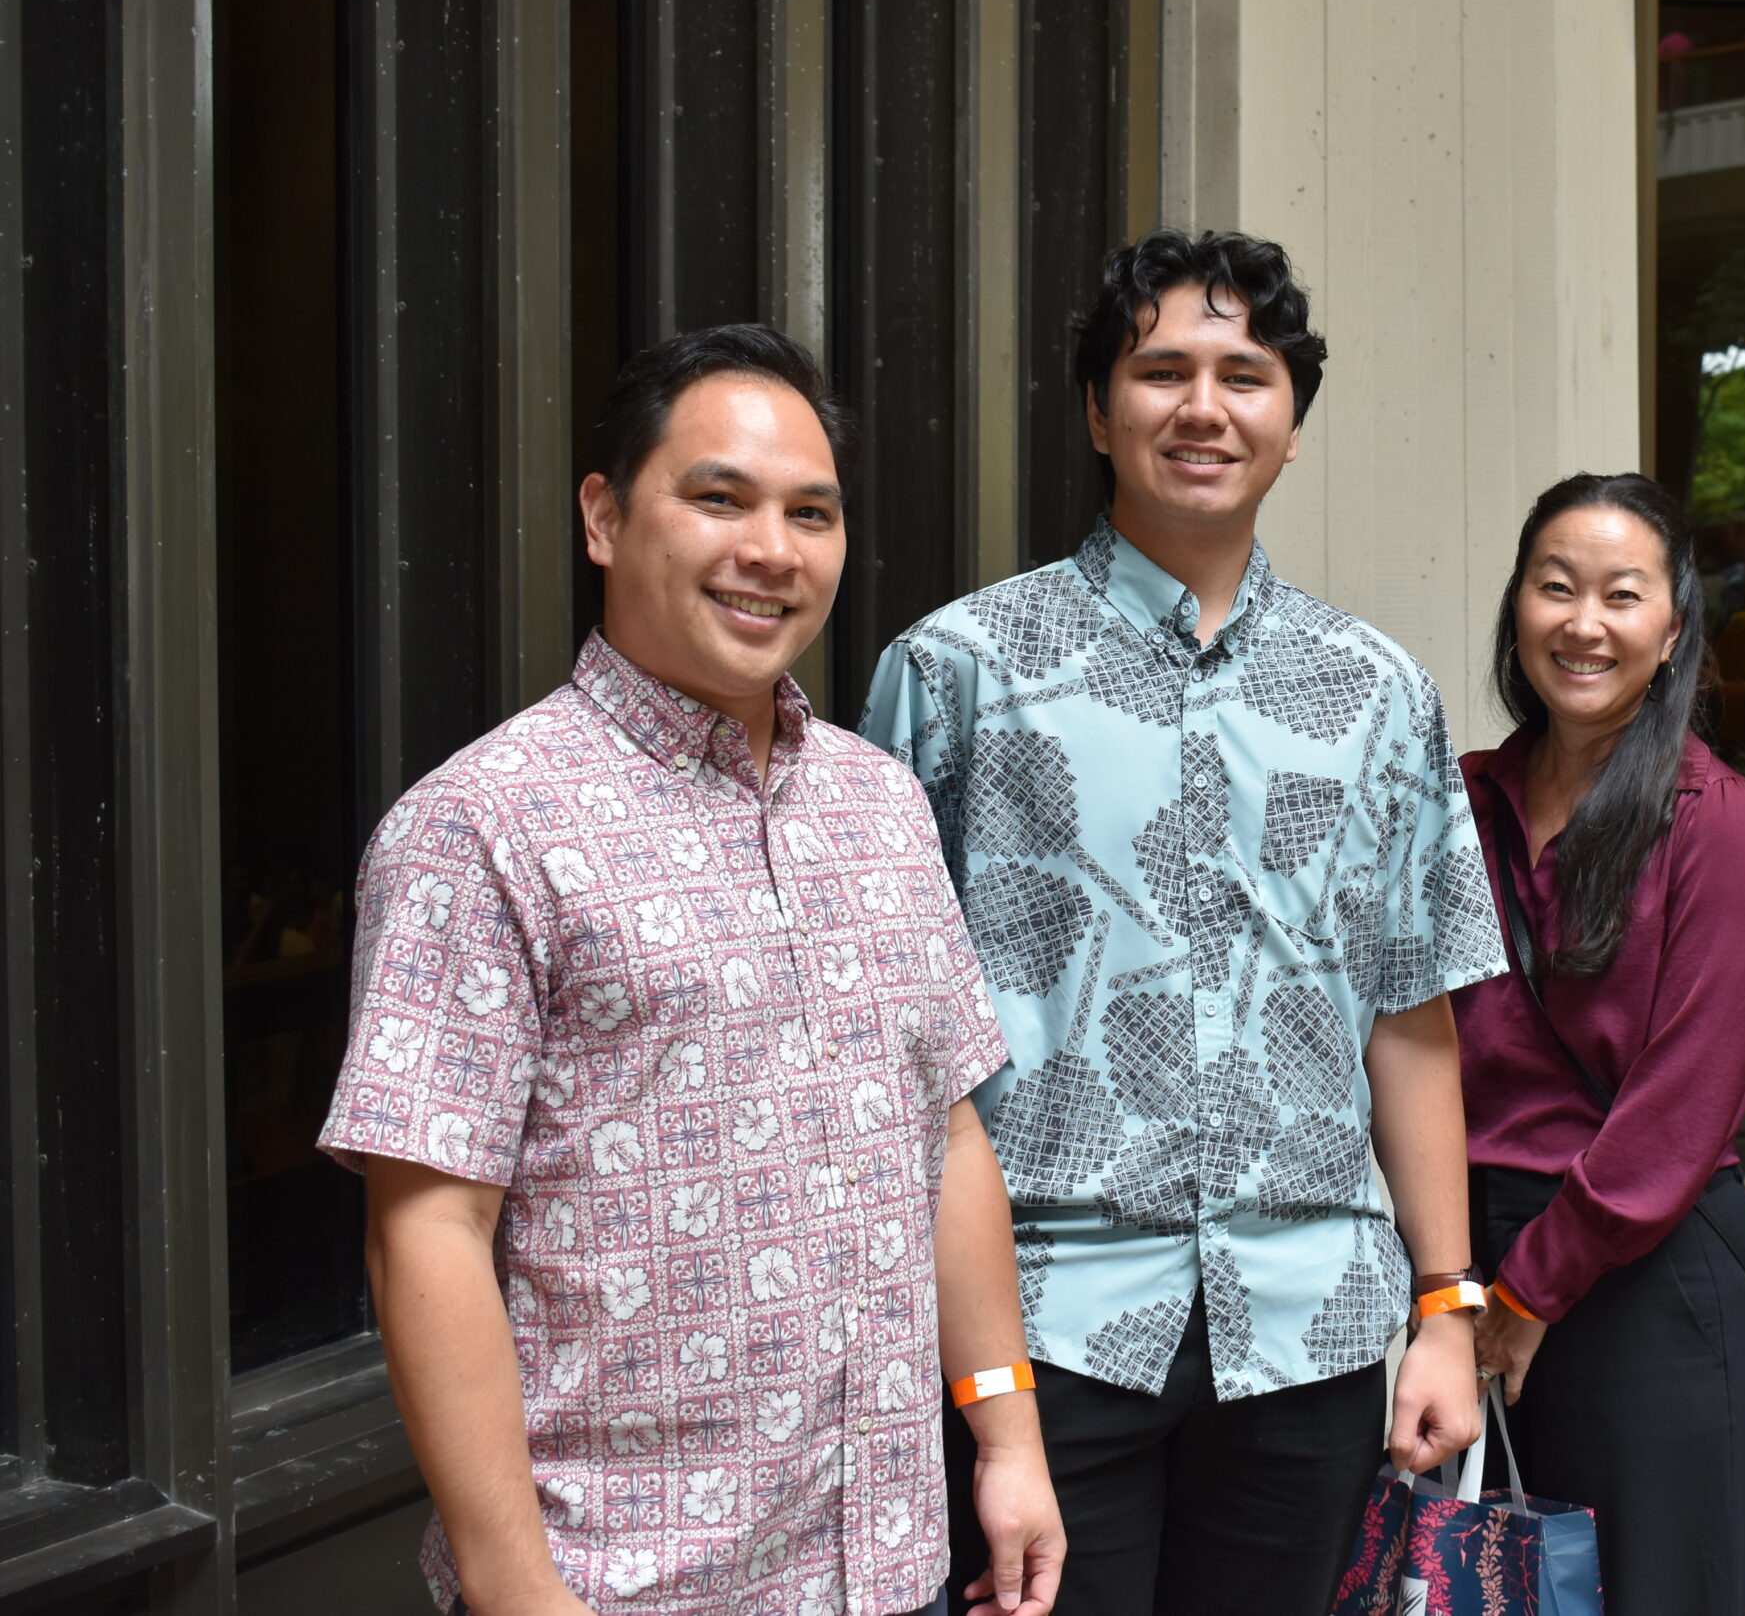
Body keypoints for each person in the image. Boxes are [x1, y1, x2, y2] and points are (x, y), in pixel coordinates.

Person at [319, 326, 1062, 1616]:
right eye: (718, 497)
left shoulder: (879, 804)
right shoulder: (482, 827)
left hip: (885, 1562)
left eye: (810, 512)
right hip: (625, 1579)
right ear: (604, 516)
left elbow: (943, 1134)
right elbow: (428, 1231)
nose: (771, 548)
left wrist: (1005, 1439)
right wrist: (513, 1588)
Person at [860, 229, 1503, 1615]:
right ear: (1099, 412)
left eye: (1244, 374)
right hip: (1043, 1336)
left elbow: (1412, 1019)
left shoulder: (1380, 693)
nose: (1202, 407)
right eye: (1160, 371)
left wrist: (1447, 1310)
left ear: (1290, 423)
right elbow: (891, 1047)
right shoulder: (956, 672)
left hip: (1310, 1332)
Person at [1451, 474, 1745, 1611]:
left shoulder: (1720, 823)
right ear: (1516, 608)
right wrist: (1444, 1285)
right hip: (1470, 1265)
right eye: (1555, 587)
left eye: (1620, 594)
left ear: (1672, 631)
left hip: (1644, 1288)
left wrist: (1525, 1296)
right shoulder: (1460, 800)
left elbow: (1679, 1116)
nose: (1582, 623)